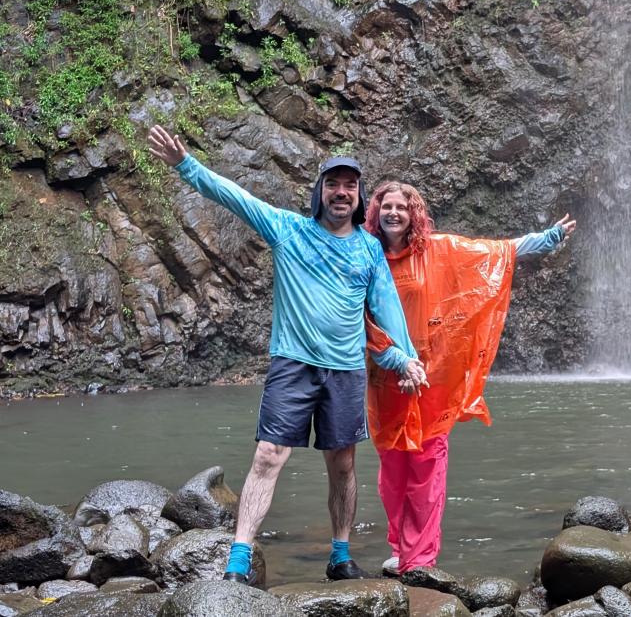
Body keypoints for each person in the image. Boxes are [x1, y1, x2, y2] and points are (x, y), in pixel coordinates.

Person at [146, 126, 427, 582]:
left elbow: (387, 309)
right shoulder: (288, 230)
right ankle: (240, 555)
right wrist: (185, 165)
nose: (341, 192)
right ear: (320, 192)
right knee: (268, 455)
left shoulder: (370, 249)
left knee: (343, 463)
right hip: (292, 364)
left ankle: (339, 554)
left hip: (346, 370)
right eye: (333, 184)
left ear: (359, 197)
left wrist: (406, 357)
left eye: (350, 186)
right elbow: (234, 197)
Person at [363, 181, 576, 574]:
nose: (394, 213)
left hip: (431, 377)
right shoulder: (364, 254)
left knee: (426, 468)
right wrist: (394, 360)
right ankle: (400, 545)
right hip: (386, 377)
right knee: (392, 474)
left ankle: (421, 558)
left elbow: (495, 252)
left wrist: (546, 238)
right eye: (386, 206)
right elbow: (358, 316)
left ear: (414, 214)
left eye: (402, 207)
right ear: (375, 212)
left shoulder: (438, 250)